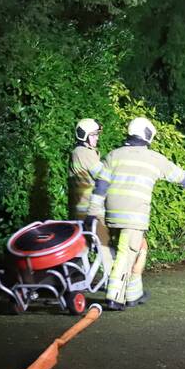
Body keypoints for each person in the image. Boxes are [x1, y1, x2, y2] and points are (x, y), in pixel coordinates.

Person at [85, 117, 185, 310]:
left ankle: (133, 294)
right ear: (148, 135)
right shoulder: (155, 159)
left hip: (112, 215)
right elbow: (181, 176)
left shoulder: (113, 155)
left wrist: (92, 213)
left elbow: (100, 187)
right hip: (134, 217)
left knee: (139, 248)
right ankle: (114, 296)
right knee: (127, 252)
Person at [68, 118, 112, 275]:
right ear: (84, 136)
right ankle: (114, 288)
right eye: (93, 135)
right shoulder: (83, 153)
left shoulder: (80, 152)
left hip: (83, 209)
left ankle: (72, 282)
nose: (97, 138)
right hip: (90, 210)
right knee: (105, 245)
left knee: (83, 248)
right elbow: (103, 175)